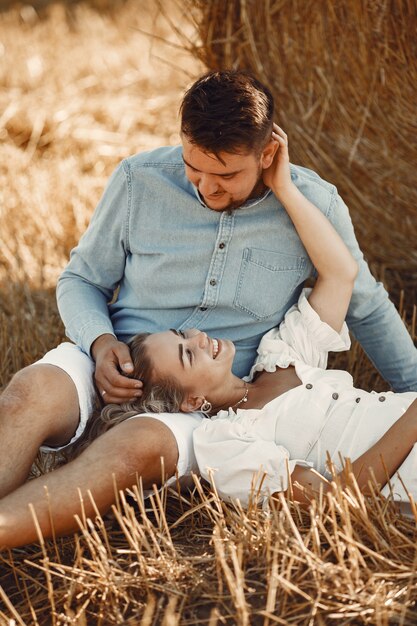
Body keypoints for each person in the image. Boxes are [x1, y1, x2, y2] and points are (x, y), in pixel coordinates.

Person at [0, 71, 415, 548]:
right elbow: (81, 279)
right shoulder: (138, 180)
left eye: (227, 176)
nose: (207, 189)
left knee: (134, 448)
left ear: (267, 155)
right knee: (27, 394)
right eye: (194, 167)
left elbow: (363, 301)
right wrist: (100, 341)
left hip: (209, 406)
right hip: (116, 352)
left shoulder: (314, 203)